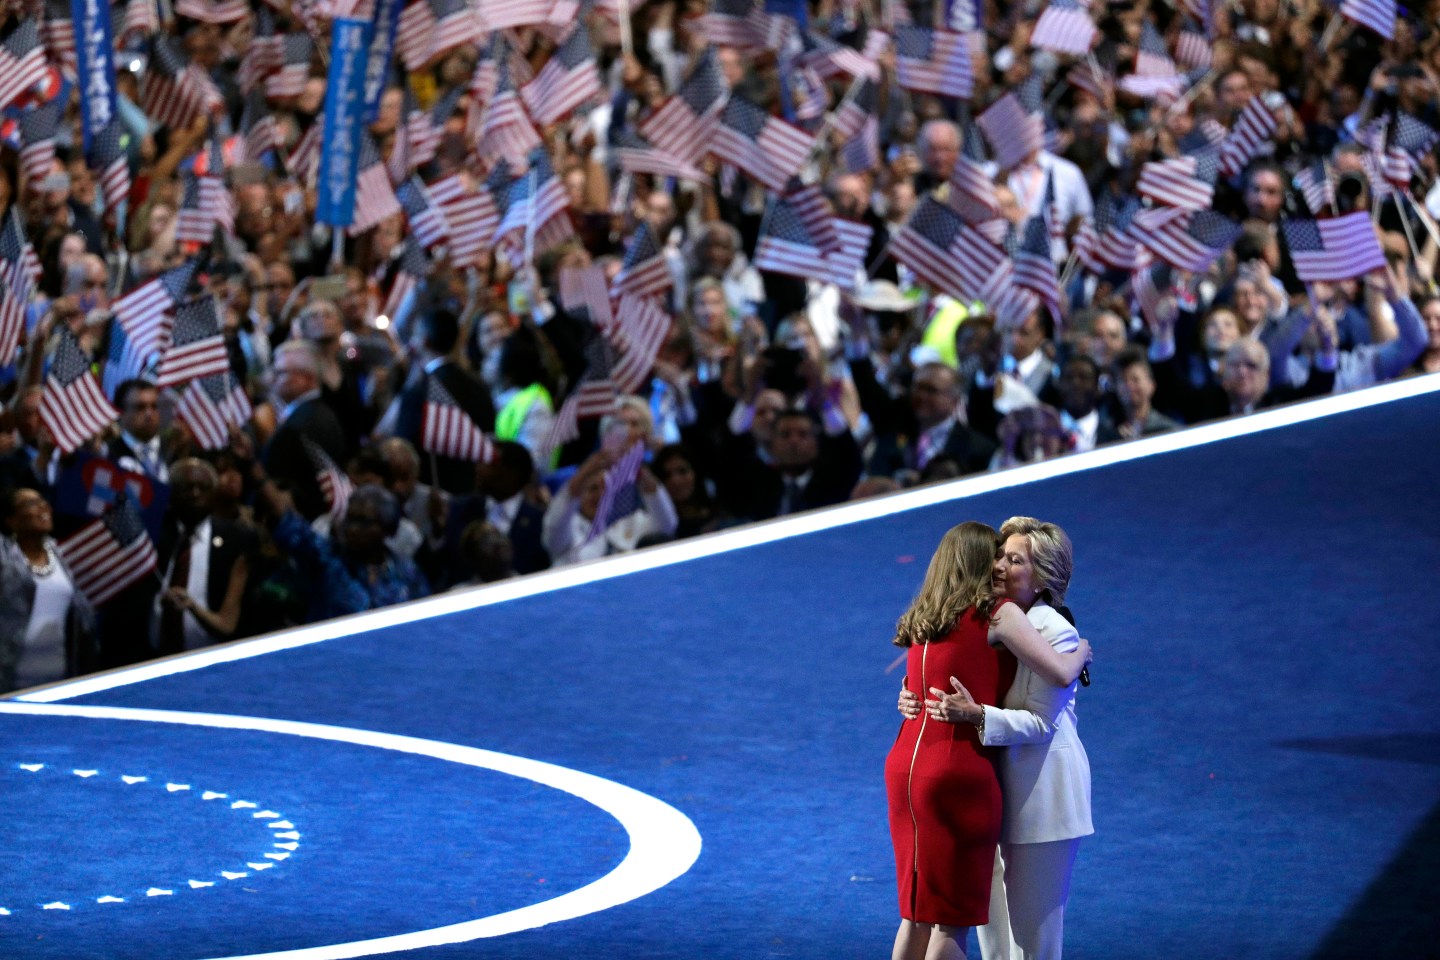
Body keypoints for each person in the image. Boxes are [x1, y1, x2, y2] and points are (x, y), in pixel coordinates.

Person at [885, 521, 1090, 960]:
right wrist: (1081, 657)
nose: (999, 566)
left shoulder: (938, 616)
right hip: (973, 782)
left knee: (1019, 936)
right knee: (960, 925)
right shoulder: (994, 615)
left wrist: (960, 708)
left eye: (1014, 559)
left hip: (1035, 797)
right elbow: (1056, 672)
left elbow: (1042, 722)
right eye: (999, 555)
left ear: (1044, 577)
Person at [0, 487, 97, 693]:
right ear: (11, 520)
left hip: (58, 683)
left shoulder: (62, 555)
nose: (43, 507)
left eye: (43, 501)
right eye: (30, 504)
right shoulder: (5, 555)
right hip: (9, 685)